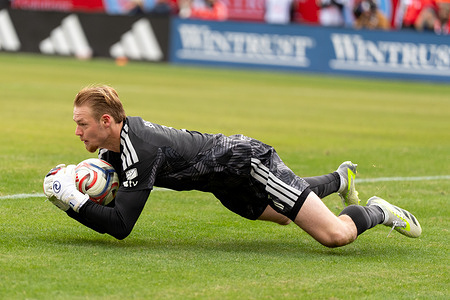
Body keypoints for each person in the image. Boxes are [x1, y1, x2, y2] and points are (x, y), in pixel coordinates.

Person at [43, 85, 421, 248]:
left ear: (107, 121)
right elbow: (112, 200)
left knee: (334, 235)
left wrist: (71, 200)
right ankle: (340, 178)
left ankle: (377, 210)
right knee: (286, 213)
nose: (77, 131)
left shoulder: (139, 150)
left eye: (82, 123)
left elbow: (121, 226)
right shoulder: (116, 149)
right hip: (225, 184)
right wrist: (77, 185)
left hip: (249, 163)